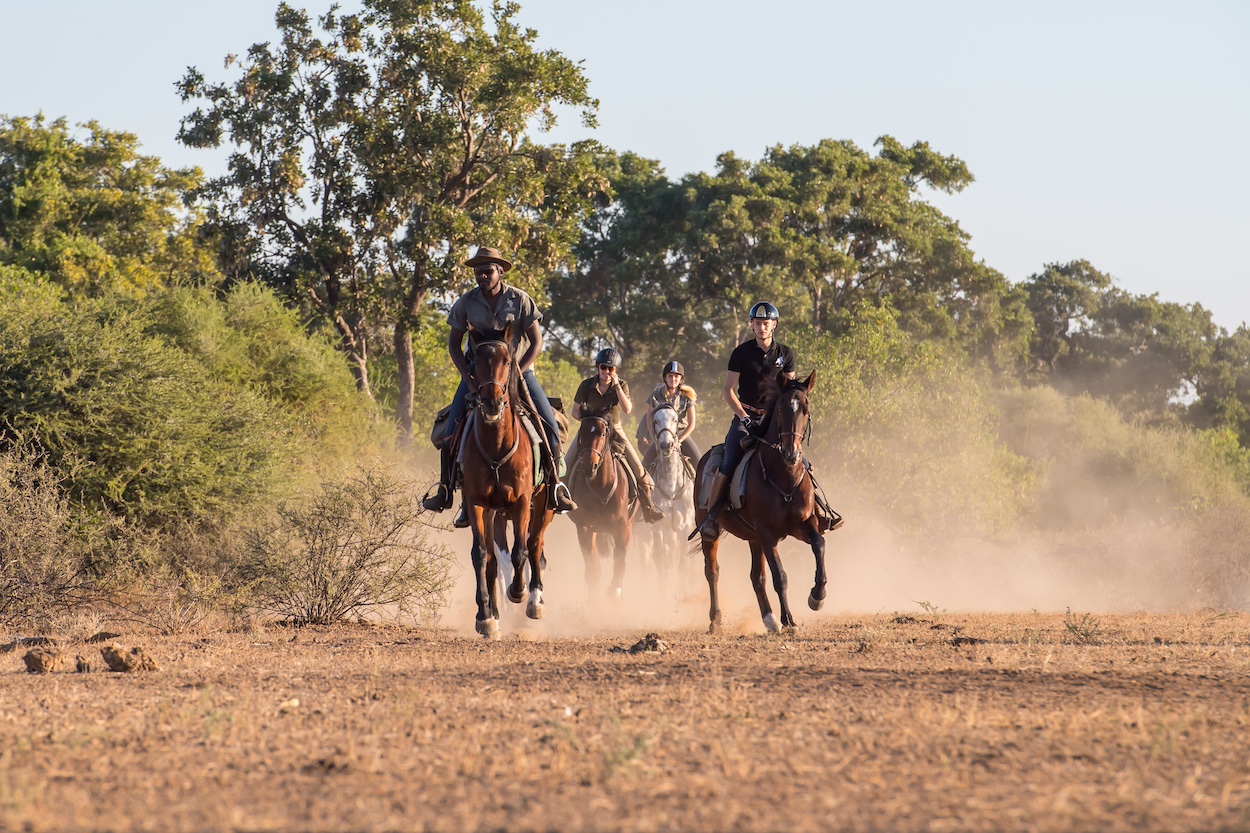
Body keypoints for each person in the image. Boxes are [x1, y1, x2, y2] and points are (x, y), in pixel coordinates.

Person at [422, 246, 576, 524]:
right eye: (478, 271)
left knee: (551, 428)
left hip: (518, 373)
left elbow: (537, 341)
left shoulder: (519, 299)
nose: (482, 275)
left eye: (487, 270)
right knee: (449, 431)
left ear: (500, 271)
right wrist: (467, 377)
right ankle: (447, 490)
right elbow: (454, 345)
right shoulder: (466, 303)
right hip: (478, 377)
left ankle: (555, 489)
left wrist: (521, 369)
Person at [695, 301, 795, 540]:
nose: (762, 328)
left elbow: (789, 391)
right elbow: (728, 390)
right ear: (751, 325)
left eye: (766, 323)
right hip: (746, 417)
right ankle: (711, 516)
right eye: (758, 323)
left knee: (797, 455)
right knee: (728, 460)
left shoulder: (786, 354)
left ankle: (817, 509)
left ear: (774, 325)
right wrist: (744, 417)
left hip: (773, 421)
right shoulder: (741, 353)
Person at [567, 348, 665, 523]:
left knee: (638, 468)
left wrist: (617, 385)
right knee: (565, 466)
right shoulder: (586, 385)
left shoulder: (622, 385)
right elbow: (574, 412)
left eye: (611, 369)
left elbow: (627, 409)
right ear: (598, 367)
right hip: (591, 428)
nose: (607, 372)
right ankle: (559, 500)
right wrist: (590, 419)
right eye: (604, 367)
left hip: (614, 428)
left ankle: (648, 506)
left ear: (616, 371)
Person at [640, 360, 700, 472]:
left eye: (676, 377)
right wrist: (654, 437)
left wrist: (680, 440)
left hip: (681, 434)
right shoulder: (656, 395)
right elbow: (649, 419)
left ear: (681, 379)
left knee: (699, 462)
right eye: (670, 376)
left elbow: (692, 424)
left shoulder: (687, 396)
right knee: (644, 466)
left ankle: (702, 488)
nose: (673, 379)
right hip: (661, 434)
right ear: (665, 378)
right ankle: (642, 488)